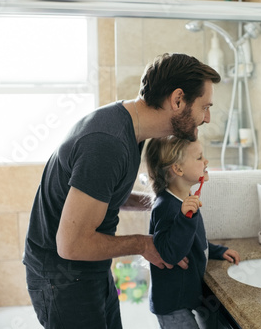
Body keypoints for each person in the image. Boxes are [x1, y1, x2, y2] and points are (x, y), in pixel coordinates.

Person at [23, 53, 221, 329]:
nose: (207, 118)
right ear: (177, 100)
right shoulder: (108, 143)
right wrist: (143, 244)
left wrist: (160, 203)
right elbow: (71, 244)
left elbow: (102, 194)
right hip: (62, 277)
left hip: (89, 267)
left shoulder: (129, 129)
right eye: (205, 106)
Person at [145, 136, 240, 329]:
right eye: (199, 157)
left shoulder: (186, 198)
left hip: (188, 294)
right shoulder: (165, 206)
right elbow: (168, 254)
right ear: (178, 169)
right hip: (172, 304)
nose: (205, 162)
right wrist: (185, 218)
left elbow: (194, 240)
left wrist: (216, 251)